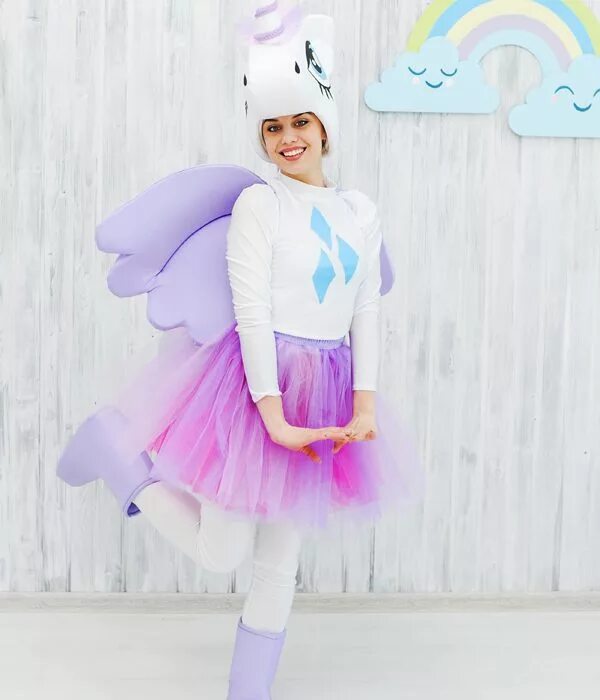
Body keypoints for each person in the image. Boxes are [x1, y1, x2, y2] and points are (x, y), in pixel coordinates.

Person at [57, 3, 423, 697]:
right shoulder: (261, 207)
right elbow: (251, 314)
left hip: (326, 391)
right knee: (222, 551)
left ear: (325, 126)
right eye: (273, 126)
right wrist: (273, 415)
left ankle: (246, 692)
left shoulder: (360, 211)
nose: (288, 138)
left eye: (300, 122)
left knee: (280, 560)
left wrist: (366, 403)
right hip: (257, 389)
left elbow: (365, 306)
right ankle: (115, 452)